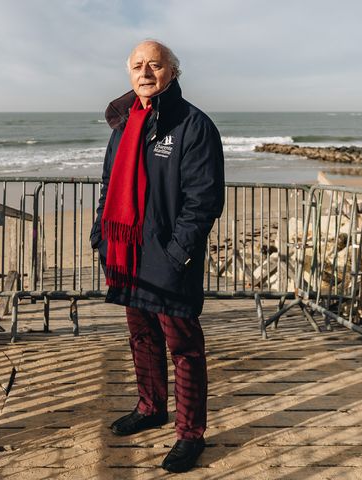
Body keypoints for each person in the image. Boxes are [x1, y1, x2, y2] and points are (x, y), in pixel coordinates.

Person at [90, 39, 224, 473]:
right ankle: (151, 408)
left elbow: (202, 200)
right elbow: (109, 185)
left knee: (184, 347)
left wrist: (177, 254)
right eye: (137, 66)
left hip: (168, 260)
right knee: (142, 337)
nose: (145, 72)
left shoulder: (193, 125)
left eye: (155, 65)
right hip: (128, 254)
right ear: (129, 74)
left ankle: (190, 434)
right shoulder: (124, 124)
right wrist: (100, 236)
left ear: (172, 72)